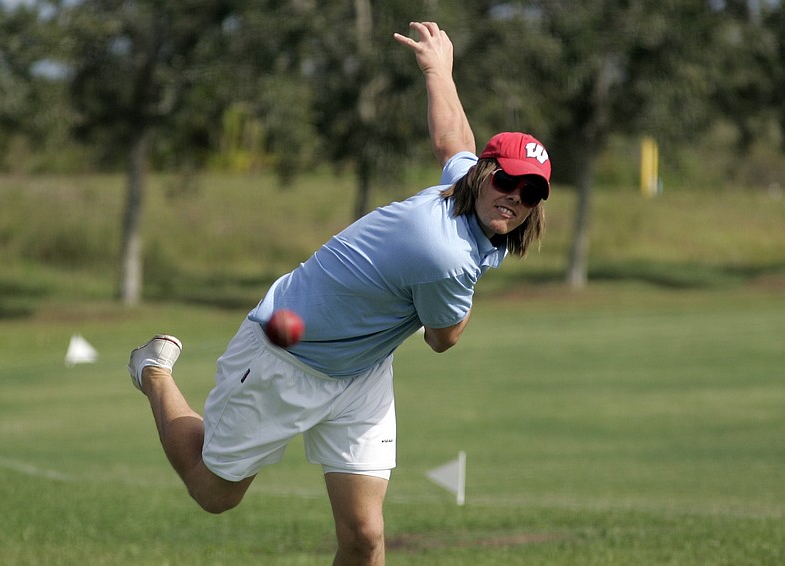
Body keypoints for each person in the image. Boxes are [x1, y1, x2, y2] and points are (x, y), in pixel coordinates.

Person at [127, 21, 551, 566]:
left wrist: (438, 72)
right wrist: (465, 285)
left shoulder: (465, 190)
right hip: (287, 349)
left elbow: (454, 142)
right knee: (215, 494)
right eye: (508, 181)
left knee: (365, 538)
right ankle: (154, 373)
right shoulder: (446, 253)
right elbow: (443, 338)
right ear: (485, 176)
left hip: (360, 371)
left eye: (531, 192)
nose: (515, 197)